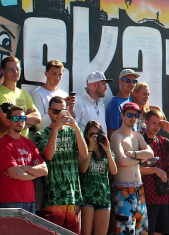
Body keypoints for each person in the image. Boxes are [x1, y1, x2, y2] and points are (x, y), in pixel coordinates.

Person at [35, 96, 88, 233]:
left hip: (73, 197)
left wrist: (77, 129)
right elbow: (48, 155)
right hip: (53, 197)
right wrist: (55, 130)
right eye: (55, 112)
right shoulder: (41, 134)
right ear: (49, 111)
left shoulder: (73, 131)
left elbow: (84, 154)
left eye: (62, 111)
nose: (59, 115)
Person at [110, 102, 155, 235]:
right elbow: (122, 161)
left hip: (139, 188)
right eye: (129, 114)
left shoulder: (137, 136)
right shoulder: (117, 136)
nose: (133, 118)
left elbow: (151, 153)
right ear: (122, 115)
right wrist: (141, 159)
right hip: (123, 188)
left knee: (141, 228)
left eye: (136, 115)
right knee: (125, 229)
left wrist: (133, 154)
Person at [141, 107, 169, 235]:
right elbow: (136, 169)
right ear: (146, 122)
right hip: (147, 194)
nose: (156, 127)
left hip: (163, 194)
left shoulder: (162, 141)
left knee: (163, 231)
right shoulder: (140, 140)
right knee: (148, 231)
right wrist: (155, 170)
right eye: (153, 123)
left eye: (159, 124)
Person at [0, 105, 47, 213]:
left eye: (23, 118)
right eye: (16, 118)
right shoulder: (3, 143)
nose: (20, 121)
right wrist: (35, 174)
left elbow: (44, 170)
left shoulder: (29, 143)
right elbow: (16, 173)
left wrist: (23, 168)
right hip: (10, 200)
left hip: (30, 199)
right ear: (8, 121)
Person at [79, 121, 117, 235]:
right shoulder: (83, 150)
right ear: (86, 135)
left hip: (103, 197)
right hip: (87, 197)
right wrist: (90, 148)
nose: (95, 137)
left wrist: (107, 150)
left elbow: (114, 171)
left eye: (98, 134)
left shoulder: (106, 153)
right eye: (92, 135)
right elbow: (83, 169)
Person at [0, 56, 40, 138]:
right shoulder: (1, 93)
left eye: (18, 69)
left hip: (23, 143)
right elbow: (8, 123)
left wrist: (15, 121)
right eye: (11, 69)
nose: (15, 72)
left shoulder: (24, 94)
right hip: (6, 143)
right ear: (3, 72)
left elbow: (38, 118)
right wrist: (28, 120)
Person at [31, 59, 74, 131]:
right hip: (47, 136)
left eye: (60, 74)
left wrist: (71, 109)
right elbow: (39, 126)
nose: (57, 77)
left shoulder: (64, 94)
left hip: (63, 136)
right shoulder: (37, 94)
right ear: (46, 73)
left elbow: (69, 124)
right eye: (54, 73)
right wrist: (57, 110)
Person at [106, 69, 139, 138]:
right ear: (120, 81)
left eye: (134, 81)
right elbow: (112, 132)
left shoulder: (131, 99)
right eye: (128, 81)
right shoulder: (115, 103)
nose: (131, 84)